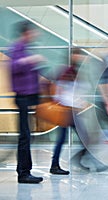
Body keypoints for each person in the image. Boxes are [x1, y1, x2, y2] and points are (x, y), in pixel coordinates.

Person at [8, 21, 44, 183]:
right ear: (27, 32)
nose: (36, 34)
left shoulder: (25, 48)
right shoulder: (18, 48)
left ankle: (24, 171)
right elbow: (14, 67)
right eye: (34, 31)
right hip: (22, 97)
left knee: (27, 135)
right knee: (25, 136)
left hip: (28, 97)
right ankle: (23, 173)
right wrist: (30, 60)